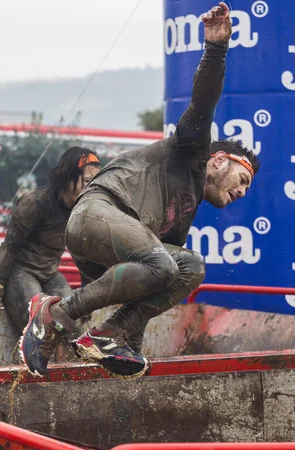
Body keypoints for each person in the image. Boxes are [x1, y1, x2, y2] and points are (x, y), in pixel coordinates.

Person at [21, 2, 260, 379]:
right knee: (163, 262)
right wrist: (215, 49)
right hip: (96, 214)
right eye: (242, 180)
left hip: (114, 247)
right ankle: (56, 314)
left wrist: (131, 345)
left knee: (189, 266)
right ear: (218, 161)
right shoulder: (192, 151)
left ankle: (112, 335)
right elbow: (204, 101)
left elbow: (154, 284)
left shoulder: (184, 209)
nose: (243, 193)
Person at [0, 147, 101, 335]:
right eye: (87, 181)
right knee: (39, 325)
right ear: (67, 178)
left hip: (49, 273)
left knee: (72, 321)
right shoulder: (35, 202)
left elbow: (85, 256)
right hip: (21, 271)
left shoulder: (82, 211)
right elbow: (10, 245)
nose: (90, 189)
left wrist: (86, 298)